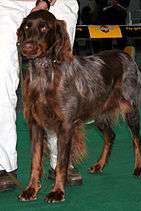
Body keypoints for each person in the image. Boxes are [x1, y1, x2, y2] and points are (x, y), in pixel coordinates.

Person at [0, 0, 82, 192]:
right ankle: (4, 166)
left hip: (57, 4)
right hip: (7, 4)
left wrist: (45, 2)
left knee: (61, 89)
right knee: (0, 83)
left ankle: (61, 163)